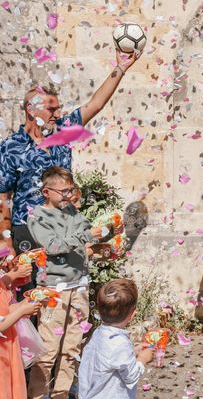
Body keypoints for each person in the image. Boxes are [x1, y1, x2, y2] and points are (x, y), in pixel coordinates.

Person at [0, 49, 140, 259]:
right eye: (51, 109)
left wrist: (120, 67)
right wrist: (6, 243)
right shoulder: (11, 147)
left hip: (65, 228)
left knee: (67, 287)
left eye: (59, 109)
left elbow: (96, 104)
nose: (58, 114)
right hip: (27, 232)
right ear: (31, 110)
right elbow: (3, 197)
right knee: (34, 292)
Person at [27, 167, 117, 399]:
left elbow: (84, 238)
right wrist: (89, 236)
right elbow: (54, 247)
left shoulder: (71, 211)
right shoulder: (38, 216)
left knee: (71, 349)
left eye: (71, 190)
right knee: (48, 350)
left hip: (79, 287)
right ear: (46, 191)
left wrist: (103, 244)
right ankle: (38, 395)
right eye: (64, 192)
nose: (69, 196)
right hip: (53, 290)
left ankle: (61, 394)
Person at [78, 278, 154, 398]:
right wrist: (143, 359)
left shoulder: (98, 333)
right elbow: (131, 377)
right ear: (133, 314)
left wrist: (133, 352)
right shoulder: (120, 344)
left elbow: (108, 360)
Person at [0, 252, 40, 399]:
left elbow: (4, 309)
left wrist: (26, 303)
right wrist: (22, 310)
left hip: (8, 346)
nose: (5, 263)